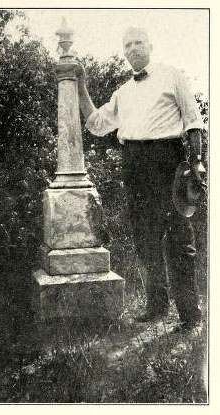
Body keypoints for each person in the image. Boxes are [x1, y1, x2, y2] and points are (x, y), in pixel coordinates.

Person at [76, 26, 205, 331]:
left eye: (138, 43)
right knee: (145, 241)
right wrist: (80, 84)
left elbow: (192, 120)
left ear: (150, 45)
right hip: (134, 165)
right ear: (124, 52)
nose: (133, 48)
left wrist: (197, 161)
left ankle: (190, 316)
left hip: (167, 161)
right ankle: (156, 308)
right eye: (127, 45)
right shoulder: (123, 92)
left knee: (178, 240)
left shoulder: (172, 75)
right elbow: (96, 124)